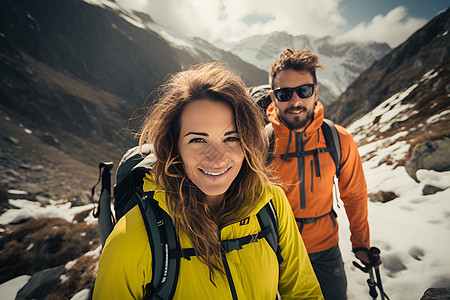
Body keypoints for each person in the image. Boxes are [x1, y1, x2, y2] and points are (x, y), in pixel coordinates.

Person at [93, 62, 323, 299]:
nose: (217, 158)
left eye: (231, 138)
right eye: (198, 140)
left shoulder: (271, 203)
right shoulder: (130, 241)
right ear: (173, 146)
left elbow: (304, 292)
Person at [266, 49, 371, 300]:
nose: (295, 101)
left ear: (316, 91)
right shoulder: (262, 143)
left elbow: (354, 195)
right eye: (284, 94)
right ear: (273, 97)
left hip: (325, 248)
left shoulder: (338, 139)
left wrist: (361, 244)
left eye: (303, 91)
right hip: (275, 251)